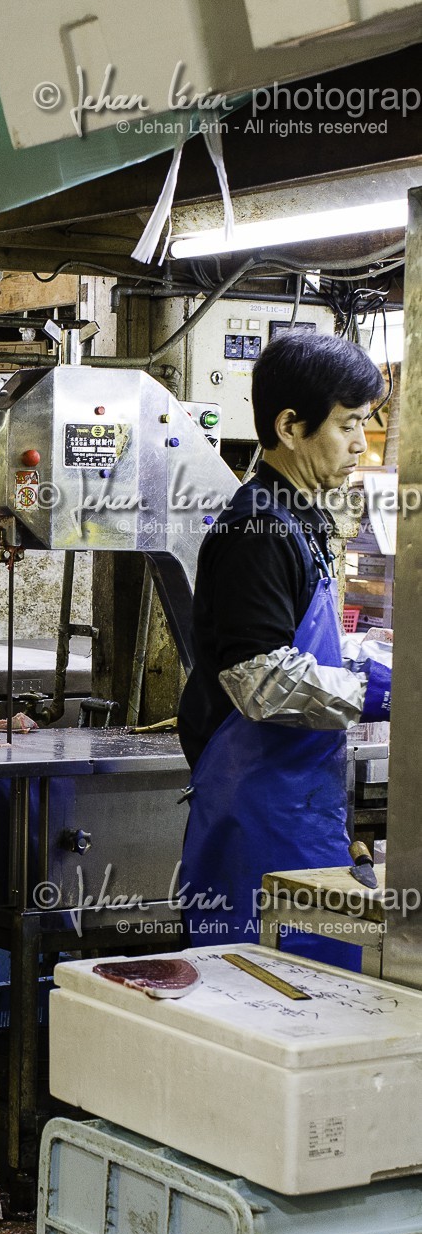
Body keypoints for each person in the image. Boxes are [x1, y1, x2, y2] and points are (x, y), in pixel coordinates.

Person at [177, 330, 391, 946]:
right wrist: (378, 690)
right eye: (348, 425)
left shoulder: (300, 518)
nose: (360, 444)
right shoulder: (257, 528)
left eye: (366, 424)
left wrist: (382, 661)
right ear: (292, 426)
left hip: (298, 810)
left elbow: (304, 647)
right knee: (255, 999)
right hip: (257, 824)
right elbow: (260, 681)